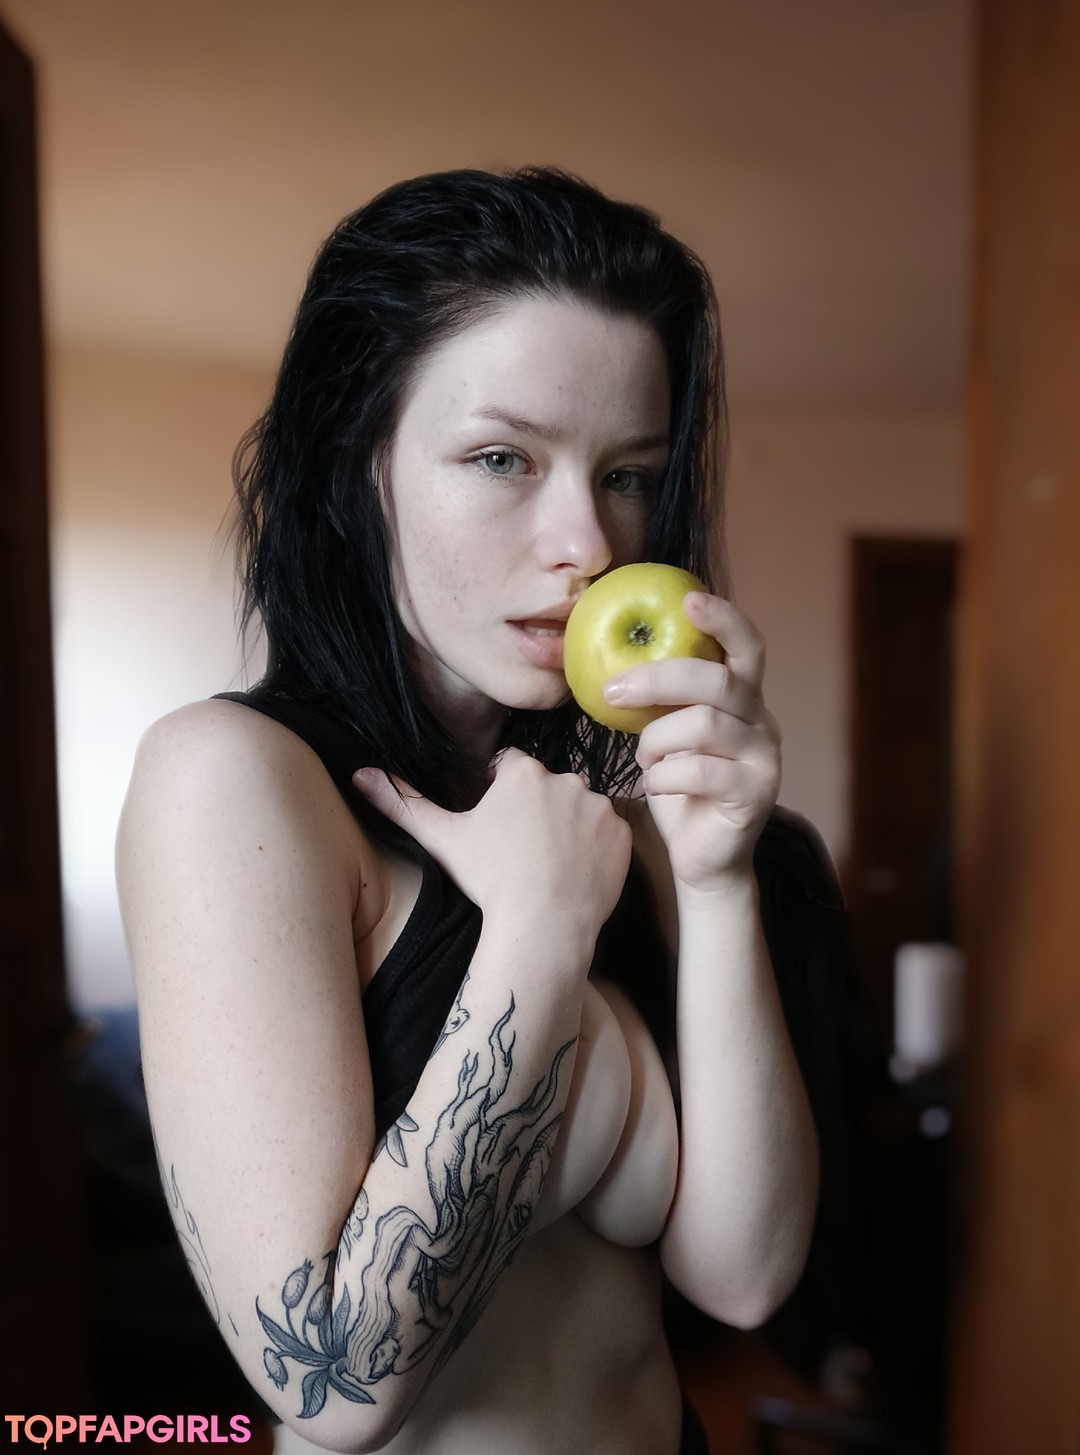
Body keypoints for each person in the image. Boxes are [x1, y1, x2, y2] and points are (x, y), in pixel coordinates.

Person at [116, 166, 834, 1455]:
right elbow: (334, 1387)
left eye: (628, 474)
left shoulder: (623, 816)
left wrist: (719, 878)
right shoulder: (233, 782)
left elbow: (745, 1278)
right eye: (503, 459)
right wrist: (538, 934)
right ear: (363, 465)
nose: (588, 546)